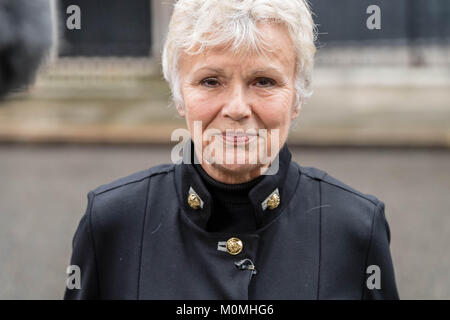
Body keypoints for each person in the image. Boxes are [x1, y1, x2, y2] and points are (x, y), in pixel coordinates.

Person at [64, 0, 399, 299]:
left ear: (296, 98)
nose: (237, 108)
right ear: (180, 96)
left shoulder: (355, 227)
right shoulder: (112, 222)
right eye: (211, 81)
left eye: (264, 81)